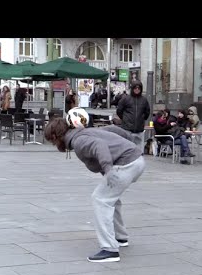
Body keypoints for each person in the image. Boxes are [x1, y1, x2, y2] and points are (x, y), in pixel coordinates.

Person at [44, 107, 145, 263]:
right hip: (136, 160)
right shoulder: (83, 133)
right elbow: (112, 129)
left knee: (100, 199)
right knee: (112, 199)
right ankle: (120, 238)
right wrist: (129, 140)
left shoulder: (79, 141)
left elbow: (99, 146)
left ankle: (109, 249)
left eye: (52, 141)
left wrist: (108, 168)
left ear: (56, 136)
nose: (53, 144)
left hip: (126, 163)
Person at [116, 80, 150, 152]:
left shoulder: (144, 100)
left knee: (139, 151)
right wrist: (125, 119)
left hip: (139, 130)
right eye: (135, 88)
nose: (137, 90)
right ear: (132, 89)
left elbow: (147, 112)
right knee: (127, 150)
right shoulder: (125, 99)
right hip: (127, 129)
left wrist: (142, 119)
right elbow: (119, 110)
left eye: (139, 88)